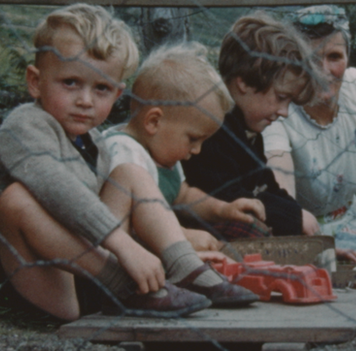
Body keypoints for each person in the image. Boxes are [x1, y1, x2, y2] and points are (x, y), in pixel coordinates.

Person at [0, 4, 241, 322]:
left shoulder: (96, 143)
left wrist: (156, 248)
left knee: (128, 174)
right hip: (17, 274)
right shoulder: (25, 125)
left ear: (117, 94)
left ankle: (183, 266)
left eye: (100, 88)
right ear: (36, 81)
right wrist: (124, 247)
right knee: (16, 199)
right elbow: (56, 191)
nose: (85, 100)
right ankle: (124, 285)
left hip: (82, 268)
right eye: (70, 82)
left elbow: (98, 213)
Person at [101, 41, 262, 306]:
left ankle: (186, 269)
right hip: (119, 256)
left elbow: (183, 194)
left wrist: (222, 209)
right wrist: (185, 238)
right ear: (154, 121)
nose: (196, 150)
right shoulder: (124, 152)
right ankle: (181, 269)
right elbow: (127, 228)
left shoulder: (160, 153)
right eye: (193, 138)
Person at [262, 5, 356, 263]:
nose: (323, 70)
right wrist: (317, 248)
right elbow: (282, 194)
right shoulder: (279, 108)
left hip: (355, 220)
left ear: (348, 57)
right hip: (304, 232)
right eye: (310, 59)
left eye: (334, 56)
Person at [182, 12, 320, 240]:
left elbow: (265, 185)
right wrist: (293, 217)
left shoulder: (247, 131)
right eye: (280, 97)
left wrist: (299, 218)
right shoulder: (213, 129)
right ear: (244, 81)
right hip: (200, 227)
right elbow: (227, 195)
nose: (284, 112)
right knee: (250, 229)